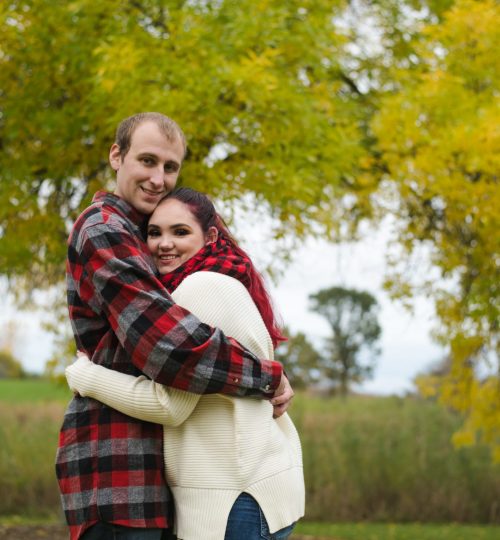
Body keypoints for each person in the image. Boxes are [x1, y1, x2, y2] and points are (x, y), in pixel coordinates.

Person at [56, 112, 294, 540]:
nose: (158, 178)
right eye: (147, 161)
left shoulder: (151, 247)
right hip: (116, 468)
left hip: (152, 475)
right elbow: (171, 348)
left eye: (170, 166)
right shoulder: (105, 231)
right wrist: (266, 376)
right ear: (116, 156)